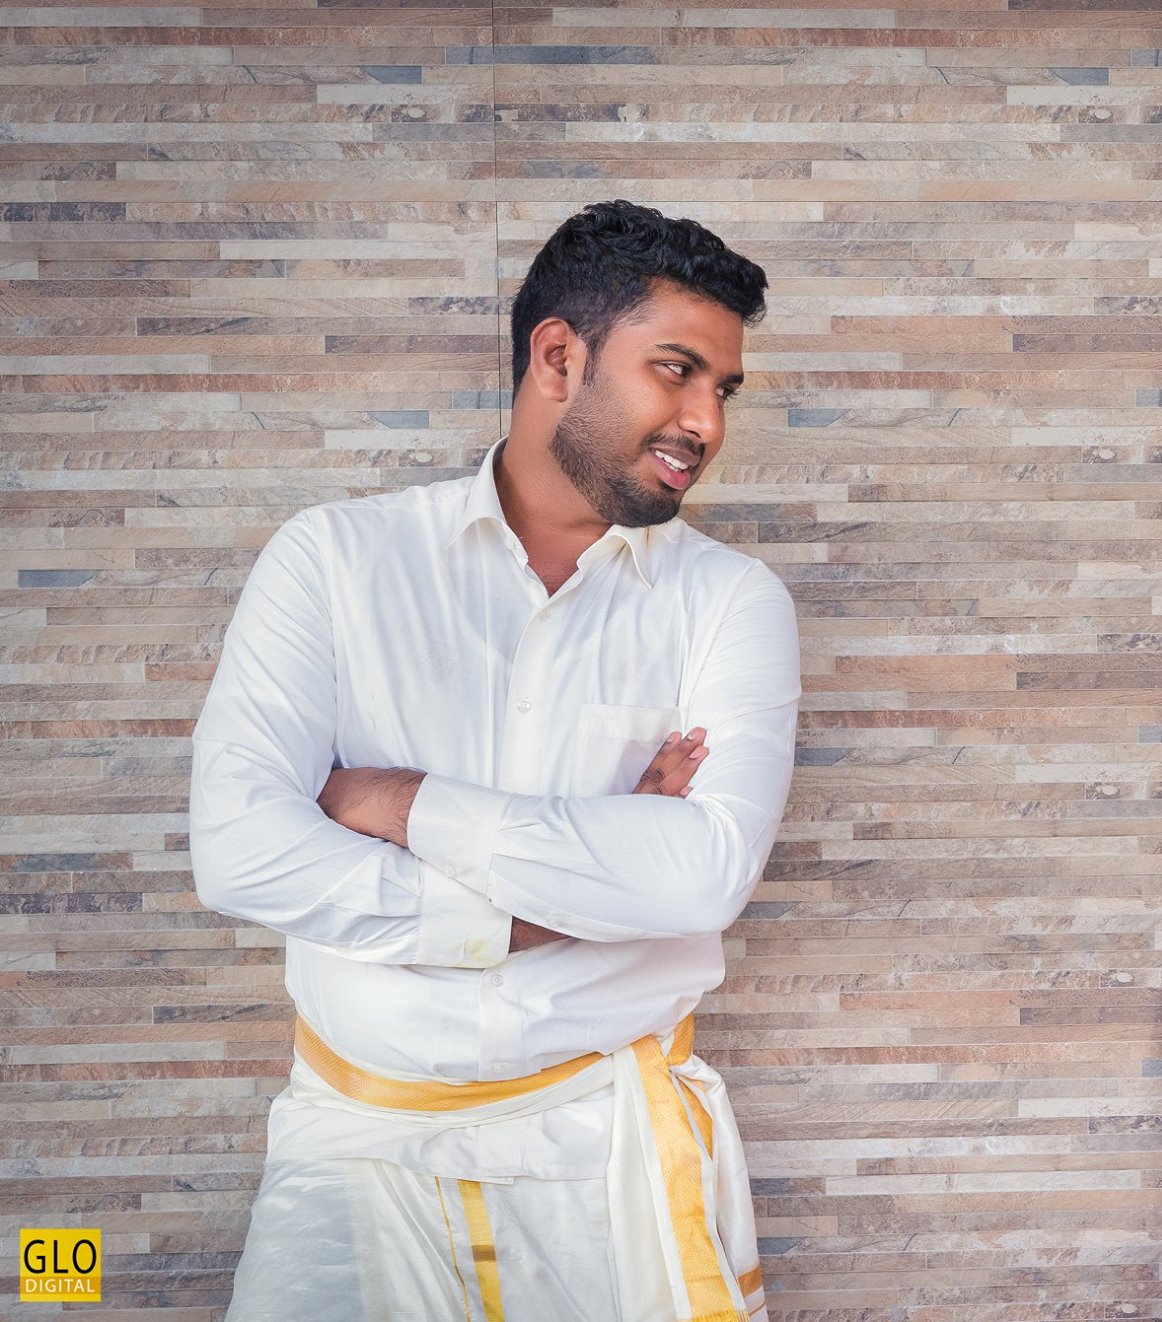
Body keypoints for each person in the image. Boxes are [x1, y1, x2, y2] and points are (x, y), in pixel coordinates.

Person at [189, 200, 796, 1321]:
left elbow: (702, 875)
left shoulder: (729, 602)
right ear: (557, 357)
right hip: (357, 1144)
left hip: (611, 1148)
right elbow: (238, 853)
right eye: (676, 371)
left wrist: (394, 798)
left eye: (723, 388)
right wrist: (549, 905)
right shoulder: (334, 560)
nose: (704, 421)